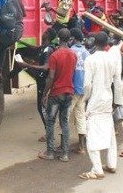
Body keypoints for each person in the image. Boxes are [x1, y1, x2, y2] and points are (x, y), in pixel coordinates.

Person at [80, 32, 123, 180]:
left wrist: (85, 99)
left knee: (91, 135)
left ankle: (97, 169)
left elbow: (87, 84)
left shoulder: (90, 60)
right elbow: (118, 82)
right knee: (110, 132)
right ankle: (111, 164)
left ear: (93, 42)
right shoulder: (113, 59)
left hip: (95, 100)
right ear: (107, 44)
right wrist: (117, 101)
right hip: (108, 99)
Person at [37, 28, 76, 162]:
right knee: (64, 122)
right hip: (69, 92)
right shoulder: (73, 54)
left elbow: (51, 77)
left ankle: (50, 152)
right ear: (69, 38)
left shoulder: (55, 55)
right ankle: (65, 154)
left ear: (58, 39)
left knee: (50, 122)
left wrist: (45, 94)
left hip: (56, 94)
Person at [11, 28, 57, 139]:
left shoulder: (48, 50)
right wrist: (19, 41)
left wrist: (27, 65)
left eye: (45, 32)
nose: (43, 33)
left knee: (42, 108)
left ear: (48, 36)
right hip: (40, 79)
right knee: (42, 108)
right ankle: (6, 78)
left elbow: (46, 67)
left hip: (44, 81)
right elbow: (34, 48)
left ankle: (49, 134)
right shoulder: (44, 47)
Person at [70, 28, 89, 153]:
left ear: (73, 38)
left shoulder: (70, 51)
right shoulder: (86, 52)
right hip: (83, 89)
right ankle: (82, 146)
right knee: (81, 115)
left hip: (72, 89)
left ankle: (63, 146)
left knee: (65, 116)